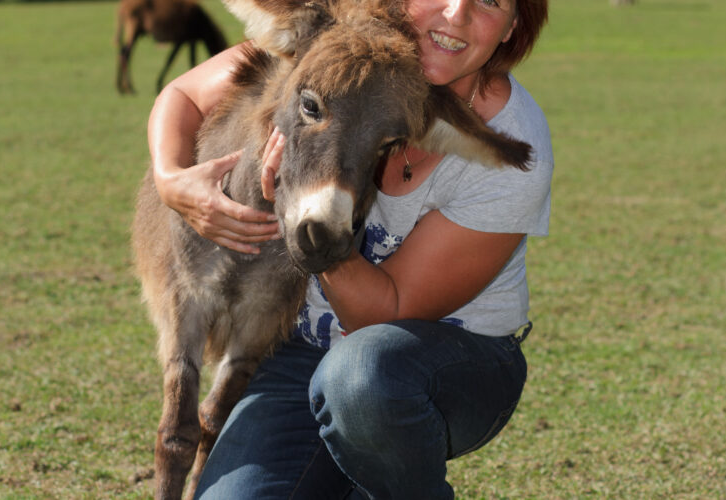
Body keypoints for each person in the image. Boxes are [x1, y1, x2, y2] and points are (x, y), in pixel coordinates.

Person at [147, 0, 551, 497]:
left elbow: (388, 312)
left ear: (514, 25)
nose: (457, 13)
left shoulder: (508, 144)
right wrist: (172, 181)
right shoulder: (338, 48)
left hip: (442, 365)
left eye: (490, 0)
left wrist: (320, 237)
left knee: (361, 376)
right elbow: (185, 93)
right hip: (306, 352)